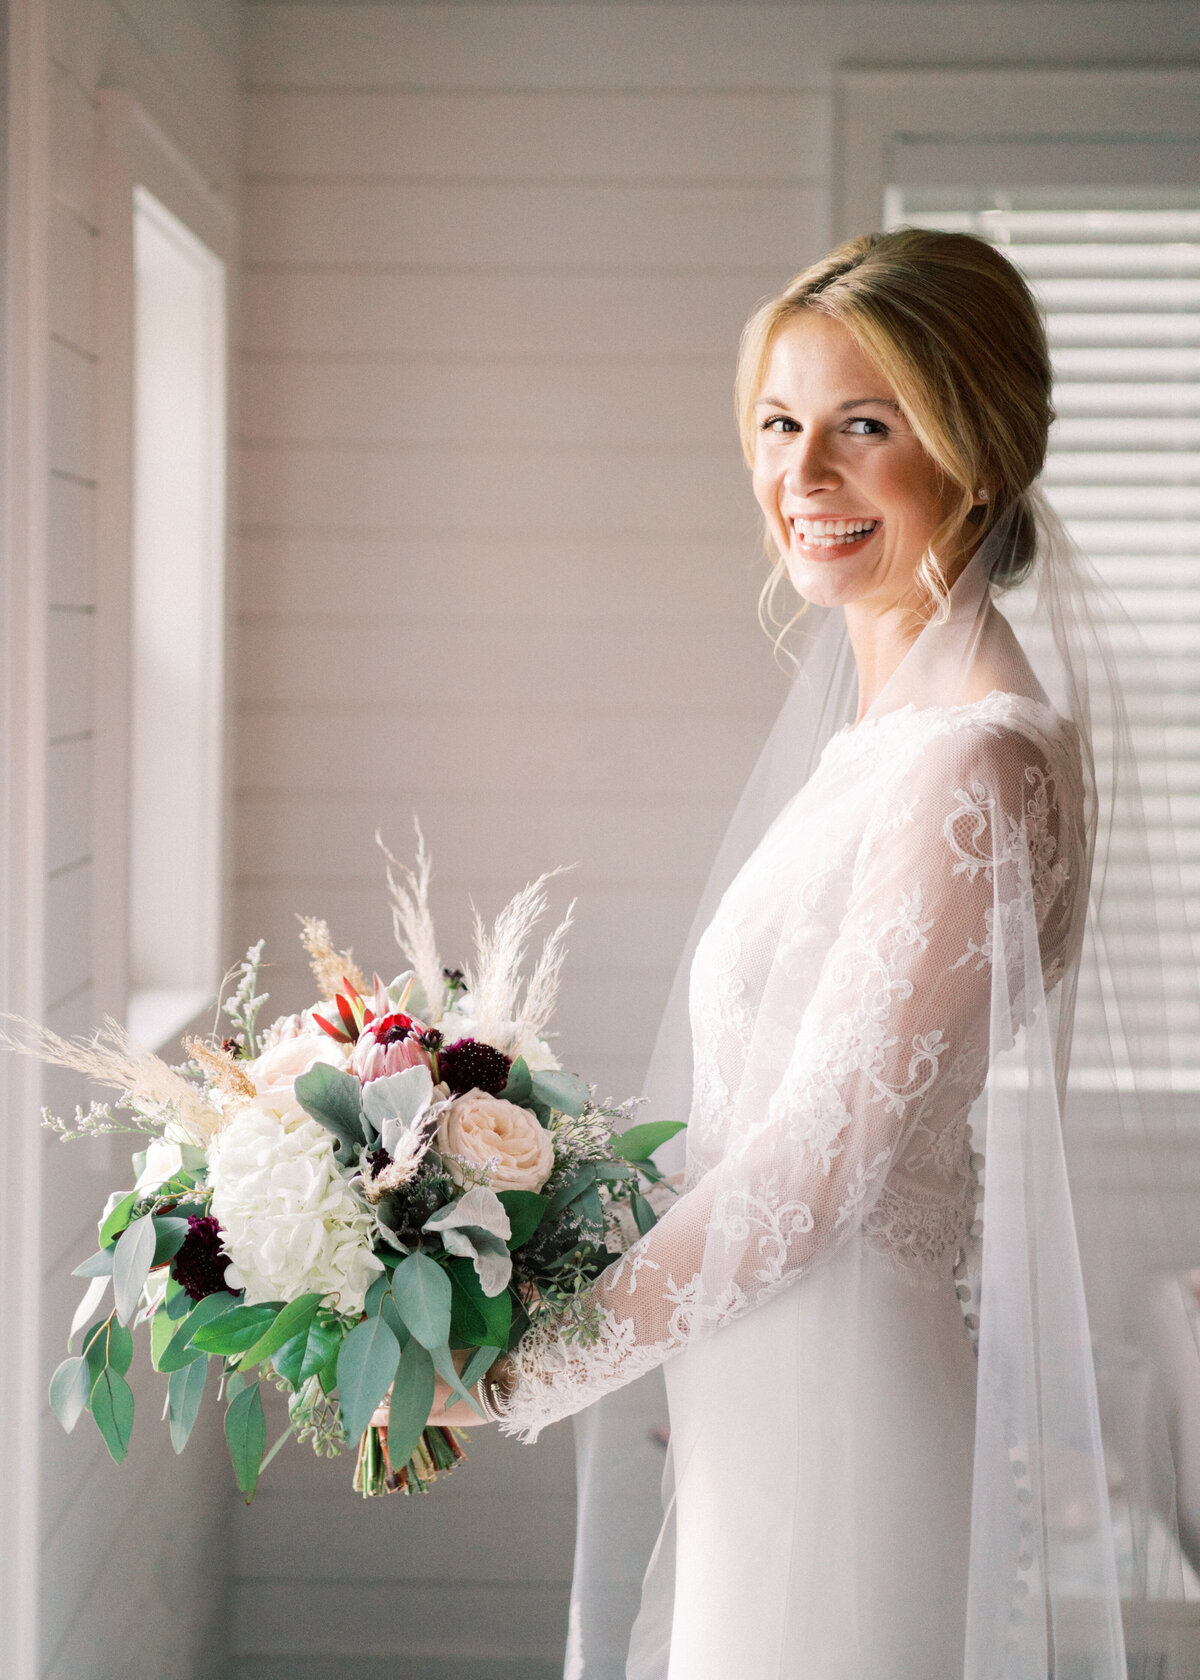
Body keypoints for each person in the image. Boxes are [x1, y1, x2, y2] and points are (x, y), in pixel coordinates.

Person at [430, 231, 1199, 1678]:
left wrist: (526, 1371)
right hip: (762, 1381)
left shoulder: (972, 764)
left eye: (868, 424)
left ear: (973, 447)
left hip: (839, 1400)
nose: (807, 475)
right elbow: (753, 1125)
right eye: (782, 425)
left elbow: (819, 1163)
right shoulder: (888, 738)